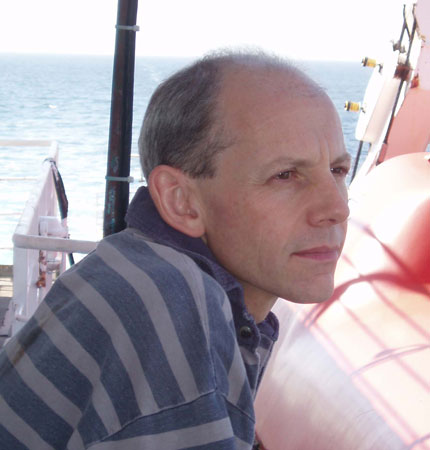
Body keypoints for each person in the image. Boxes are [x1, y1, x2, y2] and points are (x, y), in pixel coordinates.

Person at [0, 51, 350, 449]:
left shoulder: (141, 269)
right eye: (285, 175)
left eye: (338, 171)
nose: (337, 209)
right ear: (182, 200)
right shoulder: (169, 302)